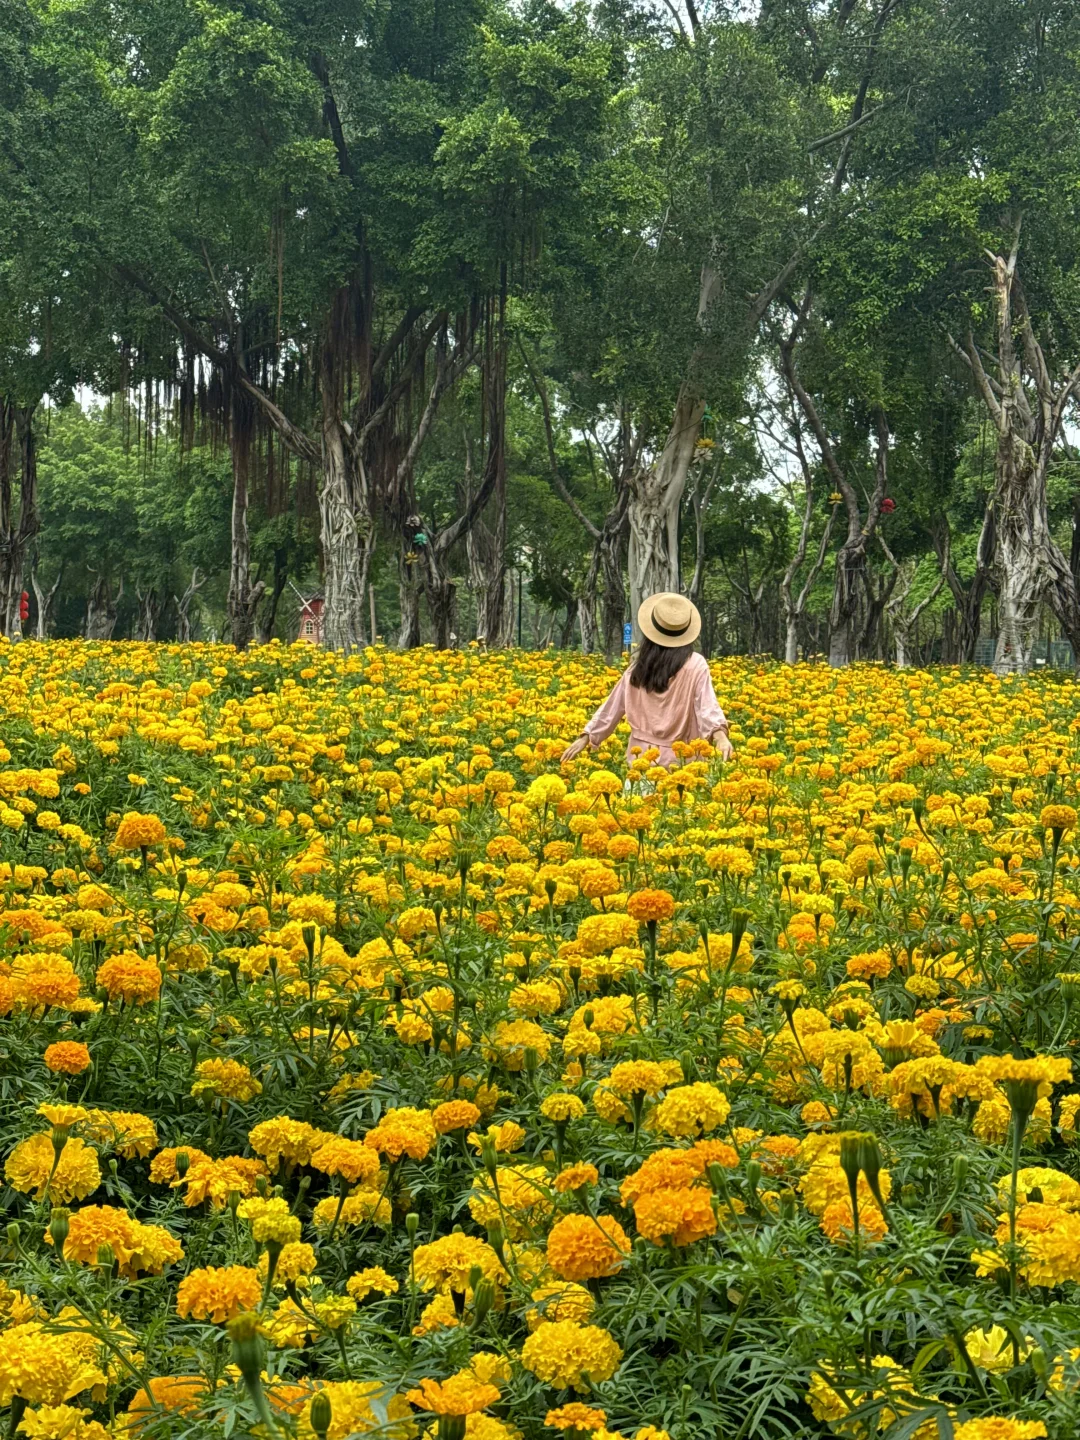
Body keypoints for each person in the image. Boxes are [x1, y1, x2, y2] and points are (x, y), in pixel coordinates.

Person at [560, 593, 734, 767]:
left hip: (641, 761)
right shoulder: (695, 664)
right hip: (681, 761)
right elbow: (707, 706)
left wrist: (586, 736)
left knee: (637, 794)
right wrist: (720, 736)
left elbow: (611, 708)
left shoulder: (638, 668)